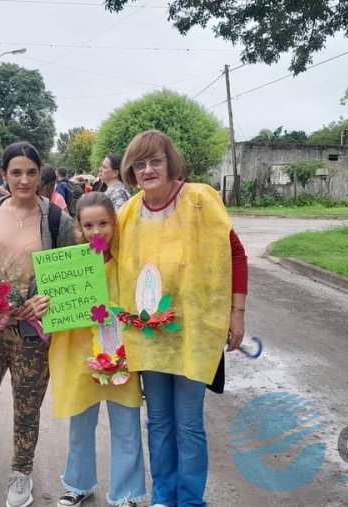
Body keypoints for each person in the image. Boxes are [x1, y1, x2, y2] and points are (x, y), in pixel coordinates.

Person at [116, 130, 248, 507]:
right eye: (139, 164)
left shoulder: (199, 200)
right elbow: (104, 257)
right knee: (158, 422)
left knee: (188, 424)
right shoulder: (128, 212)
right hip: (149, 337)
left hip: (194, 333)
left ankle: (190, 501)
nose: (148, 169)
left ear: (170, 162)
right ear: (131, 172)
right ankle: (163, 497)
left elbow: (236, 256)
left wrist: (236, 314)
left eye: (155, 161)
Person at [0, 141, 74, 507]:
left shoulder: (57, 220)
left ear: (41, 175)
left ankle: (21, 474)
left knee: (27, 406)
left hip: (32, 333)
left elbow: (66, 279)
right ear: (3, 175)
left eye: (31, 172)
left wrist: (47, 300)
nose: (24, 180)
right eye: (16, 172)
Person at [49, 192, 146, 507]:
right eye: (89, 225)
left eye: (104, 223)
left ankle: (127, 494)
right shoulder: (70, 264)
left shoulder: (127, 261)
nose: (96, 231)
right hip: (80, 353)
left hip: (120, 354)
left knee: (126, 425)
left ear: (114, 223)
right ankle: (78, 483)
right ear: (78, 226)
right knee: (80, 424)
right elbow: (56, 308)